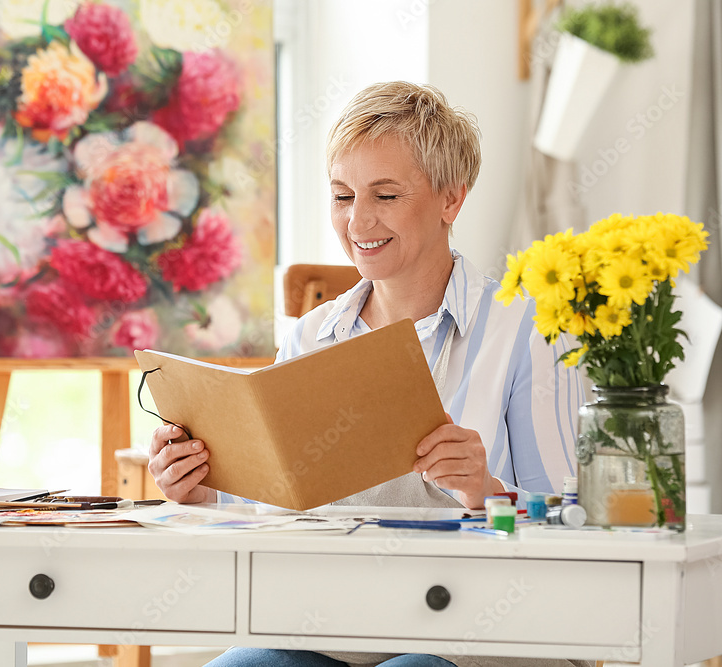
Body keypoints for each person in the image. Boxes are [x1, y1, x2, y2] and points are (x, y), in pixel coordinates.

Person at [149, 81, 587, 667]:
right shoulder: (311, 336)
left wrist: (487, 492)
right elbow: (267, 511)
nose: (358, 220)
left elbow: (577, 526)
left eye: (385, 195)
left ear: (451, 200)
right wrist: (198, 489)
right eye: (341, 195)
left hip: (481, 627)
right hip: (330, 624)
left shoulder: (529, 330)